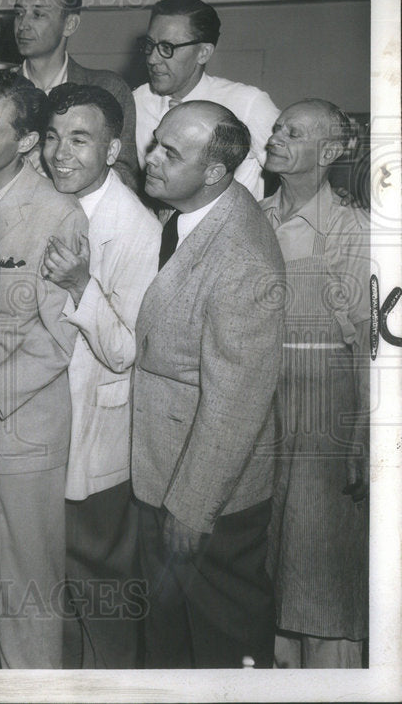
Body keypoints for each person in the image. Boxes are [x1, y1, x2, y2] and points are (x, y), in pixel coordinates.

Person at [131, 101, 285, 668]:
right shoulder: (189, 216)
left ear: (215, 173)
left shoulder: (242, 256)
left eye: (171, 153)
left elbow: (238, 400)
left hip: (207, 497)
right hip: (166, 468)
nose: (151, 157)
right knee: (171, 639)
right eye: (155, 142)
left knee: (223, 643)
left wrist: (193, 508)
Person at [0, 72, 87, 669]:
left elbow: (56, 341)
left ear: (26, 142)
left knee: (24, 597)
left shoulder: (58, 215)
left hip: (20, 434)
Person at [39, 83, 160, 668]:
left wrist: (81, 286)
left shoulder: (135, 228)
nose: (60, 153)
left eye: (79, 139)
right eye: (53, 137)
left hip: (96, 444)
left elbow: (126, 351)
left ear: (113, 151)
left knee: (101, 592)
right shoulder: (44, 202)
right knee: (51, 589)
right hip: (42, 431)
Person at [262, 99, 369, 668]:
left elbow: (370, 348)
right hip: (266, 418)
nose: (276, 137)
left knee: (325, 584)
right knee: (275, 577)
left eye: (293, 132)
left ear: (329, 153)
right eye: (277, 128)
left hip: (328, 423)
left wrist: (361, 439)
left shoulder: (352, 232)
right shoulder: (256, 217)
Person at [133, 0, 280, 201]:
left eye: (167, 47)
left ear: (203, 52)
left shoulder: (249, 103)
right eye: (150, 45)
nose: (152, 59)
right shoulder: (136, 102)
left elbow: (298, 170)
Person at [13, 0, 139, 190]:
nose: (23, 24)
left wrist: (60, 172)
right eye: (19, 13)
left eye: (38, 14)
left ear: (69, 24)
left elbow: (127, 176)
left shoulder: (108, 88)